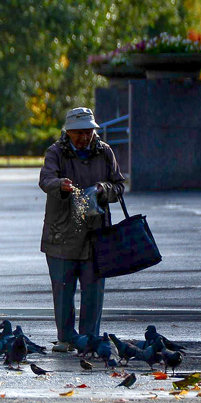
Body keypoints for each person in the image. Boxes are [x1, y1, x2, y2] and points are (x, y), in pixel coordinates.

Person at [38, 106, 125, 352]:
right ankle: (66, 338)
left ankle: (90, 340)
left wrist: (101, 189)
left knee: (93, 293)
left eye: (88, 132)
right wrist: (60, 185)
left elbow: (118, 186)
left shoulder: (105, 152)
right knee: (63, 292)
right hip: (61, 235)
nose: (84, 137)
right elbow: (45, 180)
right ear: (68, 131)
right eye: (79, 133)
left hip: (96, 235)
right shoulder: (55, 152)